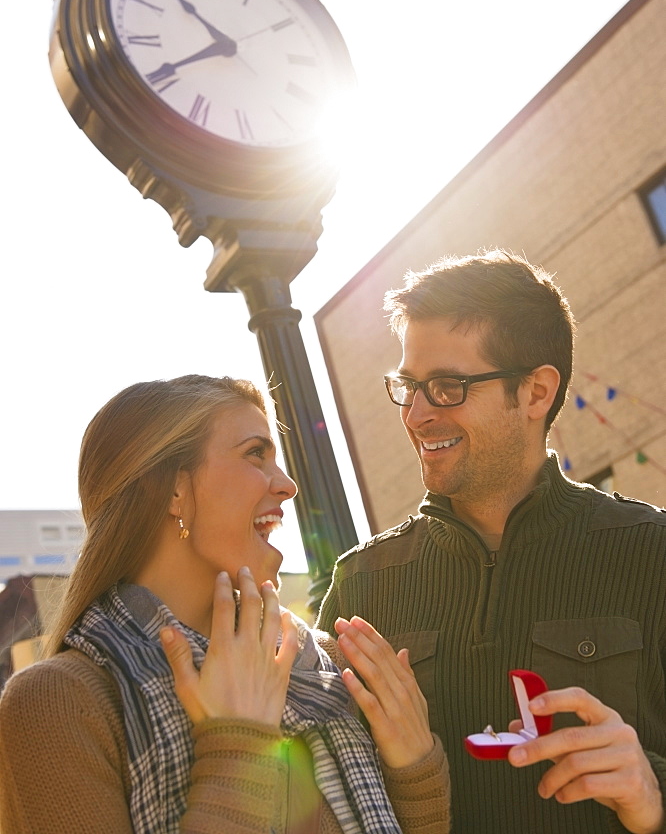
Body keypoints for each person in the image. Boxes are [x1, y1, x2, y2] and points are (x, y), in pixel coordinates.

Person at [0, 374, 450, 834]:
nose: (288, 485)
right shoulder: (59, 704)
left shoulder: (327, 668)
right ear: (174, 490)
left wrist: (415, 778)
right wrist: (237, 750)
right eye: (256, 453)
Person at [317, 250, 666, 834]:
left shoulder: (652, 555)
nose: (418, 415)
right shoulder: (362, 587)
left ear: (535, 393)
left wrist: (654, 794)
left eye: (448, 387)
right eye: (410, 387)